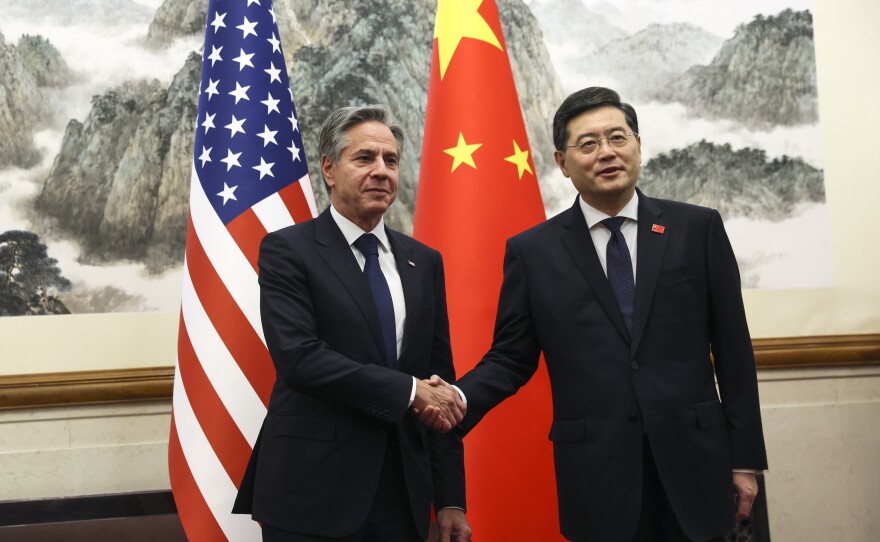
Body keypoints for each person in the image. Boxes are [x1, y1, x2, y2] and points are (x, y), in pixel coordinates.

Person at [449, 87, 768, 542]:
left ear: (638, 145)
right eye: (588, 144)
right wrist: (455, 401)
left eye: (617, 138)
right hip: (597, 476)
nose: (607, 152)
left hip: (696, 464)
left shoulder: (698, 229)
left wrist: (745, 459)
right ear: (562, 163)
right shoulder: (533, 252)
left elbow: (734, 351)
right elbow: (511, 358)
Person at [233, 105, 471, 542]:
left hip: (403, 495)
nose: (381, 171)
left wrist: (450, 498)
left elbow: (439, 382)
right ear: (329, 169)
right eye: (365, 158)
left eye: (391, 160)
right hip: (312, 492)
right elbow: (300, 359)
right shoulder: (288, 250)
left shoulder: (424, 261)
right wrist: (409, 390)